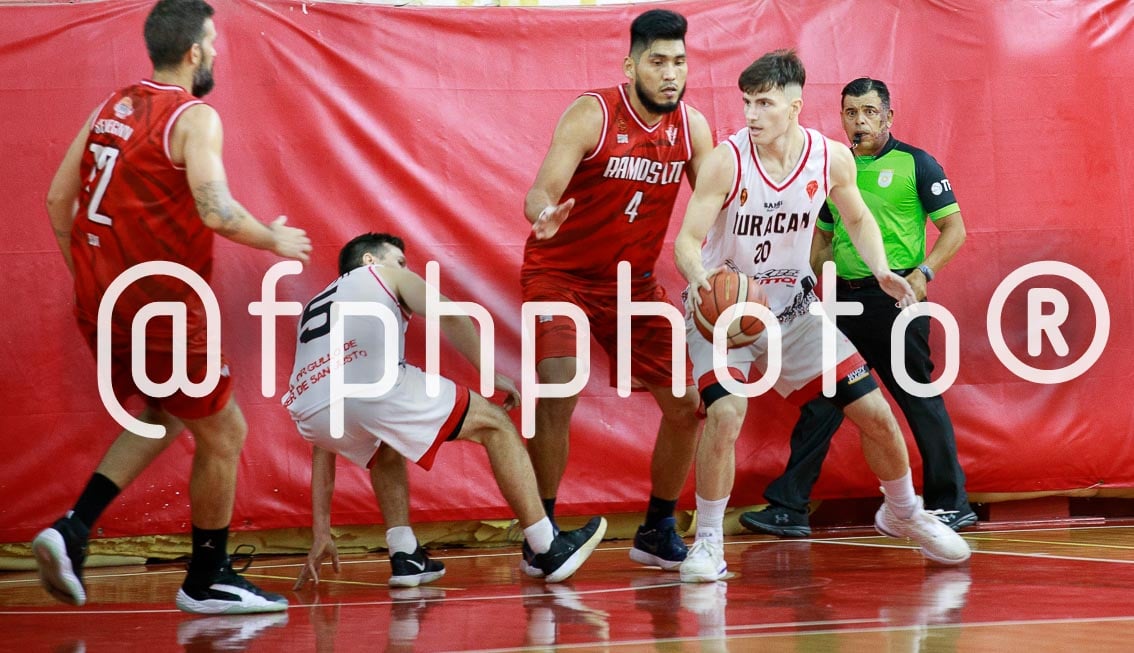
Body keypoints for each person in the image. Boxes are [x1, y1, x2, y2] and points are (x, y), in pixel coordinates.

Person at [34, 0, 311, 614]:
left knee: (171, 412)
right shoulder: (193, 118)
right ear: (194, 51)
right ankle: (206, 580)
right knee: (226, 430)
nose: (216, 53)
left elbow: (59, 200)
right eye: (212, 42)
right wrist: (274, 238)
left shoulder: (112, 105)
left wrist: (92, 279)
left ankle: (73, 529)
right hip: (162, 307)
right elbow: (217, 213)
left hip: (103, 306)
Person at [672, 50, 971, 583]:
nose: (751, 114)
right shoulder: (726, 159)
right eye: (747, 102)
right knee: (726, 414)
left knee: (877, 414)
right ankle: (709, 542)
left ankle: (903, 512)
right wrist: (702, 283)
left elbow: (856, 218)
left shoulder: (830, 157)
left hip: (795, 311)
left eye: (763, 102)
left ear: (794, 105)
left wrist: (880, 270)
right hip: (726, 314)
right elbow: (688, 242)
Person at [286, 233, 607, 588]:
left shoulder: (317, 303)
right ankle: (548, 546)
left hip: (311, 409)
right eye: (401, 261)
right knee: (496, 424)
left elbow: (323, 447)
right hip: (370, 386)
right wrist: (489, 373)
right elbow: (452, 314)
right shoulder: (381, 274)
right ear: (370, 261)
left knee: (384, 445)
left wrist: (321, 530)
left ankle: (405, 555)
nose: (406, 269)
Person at [521, 8, 713, 571]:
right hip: (561, 276)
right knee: (560, 383)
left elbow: (716, 204)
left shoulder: (691, 127)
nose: (671, 73)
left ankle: (657, 528)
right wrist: (544, 213)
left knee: (685, 406)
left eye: (679, 61)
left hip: (635, 285)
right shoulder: (593, 113)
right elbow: (540, 190)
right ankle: (542, 536)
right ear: (631, 66)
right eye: (658, 61)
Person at [740, 78, 975, 538]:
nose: (859, 121)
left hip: (893, 300)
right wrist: (817, 275)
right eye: (851, 112)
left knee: (916, 396)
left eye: (869, 112)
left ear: (888, 116)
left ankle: (952, 503)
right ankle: (789, 506)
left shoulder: (916, 164)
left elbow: (955, 230)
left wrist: (921, 276)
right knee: (825, 399)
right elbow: (823, 235)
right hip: (843, 300)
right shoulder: (837, 169)